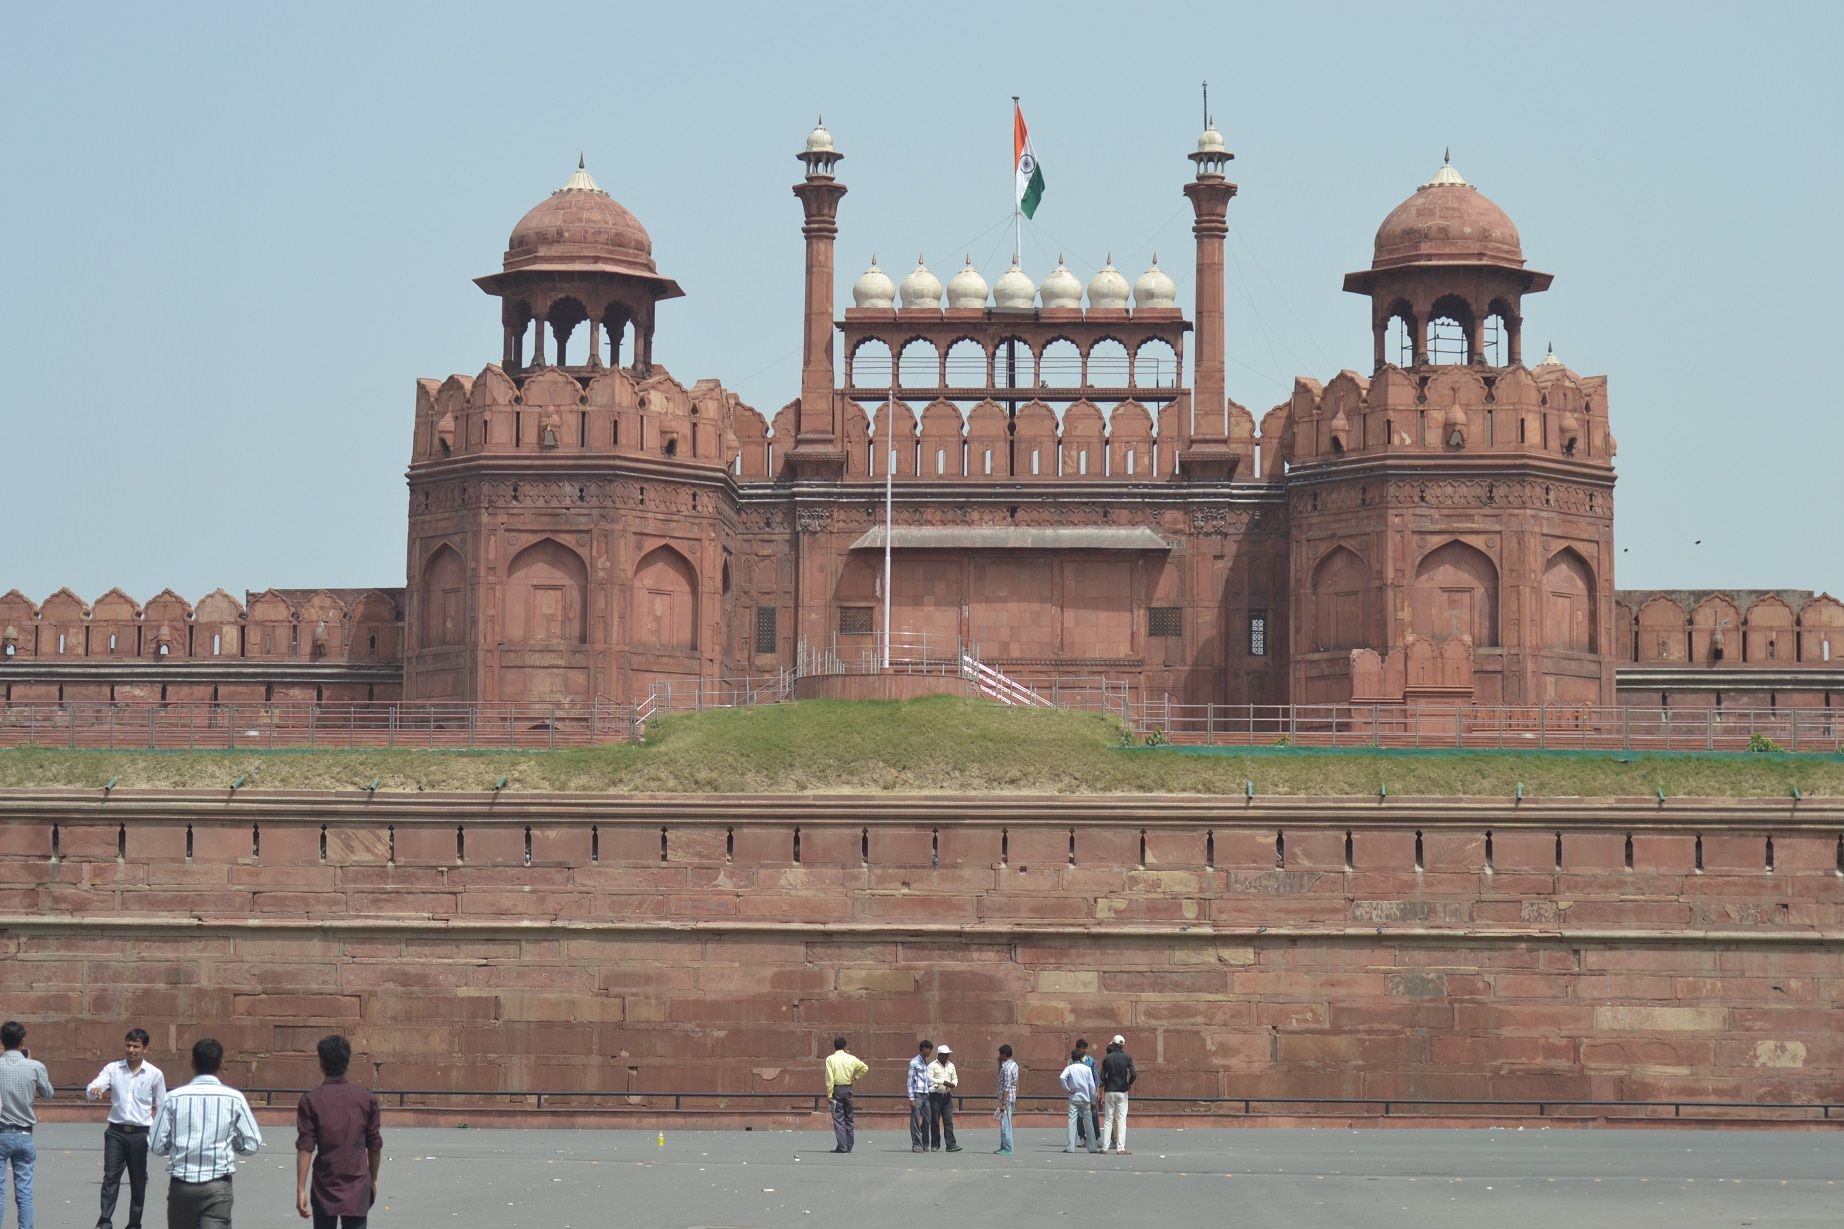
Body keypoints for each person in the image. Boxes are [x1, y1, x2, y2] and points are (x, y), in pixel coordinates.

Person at [151, 1038, 262, 1229]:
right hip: (217, 1187)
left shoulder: (173, 1098)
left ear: (193, 1063)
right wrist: (231, 1141)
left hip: (182, 1185)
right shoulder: (234, 1098)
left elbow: (156, 1145)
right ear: (221, 1064)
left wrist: (175, 1142)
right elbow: (252, 1143)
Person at [294, 1036, 382, 1228]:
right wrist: (373, 1179)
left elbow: (305, 1147)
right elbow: (374, 1144)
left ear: (321, 1062)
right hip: (357, 1182)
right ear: (347, 1061)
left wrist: (300, 1188)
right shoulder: (366, 1099)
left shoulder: (311, 1100)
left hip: (325, 1183)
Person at [86, 1027, 166, 1229]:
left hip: (140, 1134)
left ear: (145, 1049)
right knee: (110, 1177)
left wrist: (156, 1135)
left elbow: (162, 1105)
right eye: (128, 1045)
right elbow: (95, 1087)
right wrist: (95, 1091)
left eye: (136, 1046)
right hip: (116, 1132)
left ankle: (134, 1223)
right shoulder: (113, 1069)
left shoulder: (155, 1074)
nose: (131, 1050)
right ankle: (105, 1221)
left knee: (138, 1181)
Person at [0, 1022, 53, 1229]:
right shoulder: (35, 1067)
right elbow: (48, 1093)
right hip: (24, 1134)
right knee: (24, 1192)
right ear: (22, 1042)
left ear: (2, 1042)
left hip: (1, 1133)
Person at [822, 1036, 867, 1154]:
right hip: (848, 1089)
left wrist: (829, 1093)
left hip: (837, 1089)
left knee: (839, 1119)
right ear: (845, 1046)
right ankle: (849, 1145)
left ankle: (842, 1146)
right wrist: (855, 1077)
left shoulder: (830, 1059)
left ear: (834, 1046)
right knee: (849, 1118)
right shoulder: (851, 1058)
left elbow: (830, 1078)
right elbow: (865, 1068)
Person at [1099, 1034, 1137, 1155]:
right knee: (1121, 1120)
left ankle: (1105, 1147)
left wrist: (1106, 1083)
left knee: (1108, 1119)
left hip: (1109, 1090)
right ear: (1122, 1045)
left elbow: (1102, 1076)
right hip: (1122, 1090)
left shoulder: (1107, 1058)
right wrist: (1129, 1083)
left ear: (1113, 1044)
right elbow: (1134, 1074)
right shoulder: (1127, 1058)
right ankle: (1120, 1148)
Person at [1058, 1047, 1099, 1154]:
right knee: (1089, 1123)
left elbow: (1062, 1077)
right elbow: (1092, 1086)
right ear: (1081, 1057)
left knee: (1072, 1122)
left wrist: (1068, 1089)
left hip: (1074, 1098)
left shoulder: (1070, 1068)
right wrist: (1093, 1101)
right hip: (1085, 1099)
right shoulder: (1087, 1069)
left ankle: (1070, 1147)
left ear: (1072, 1057)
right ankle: (1093, 1147)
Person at [925, 1044, 960, 1152]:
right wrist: (942, 1082)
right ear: (939, 1055)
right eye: (944, 1055)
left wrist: (953, 1084)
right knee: (935, 1121)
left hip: (947, 1096)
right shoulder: (932, 1065)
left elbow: (955, 1078)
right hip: (935, 1095)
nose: (946, 1057)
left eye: (948, 1054)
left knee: (948, 1121)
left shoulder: (951, 1065)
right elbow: (929, 1078)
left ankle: (951, 1144)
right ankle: (935, 1144)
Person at [906, 1040, 935, 1153]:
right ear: (922, 1049)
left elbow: (927, 1079)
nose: (929, 1051)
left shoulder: (927, 1062)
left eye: (930, 1049)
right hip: (917, 1094)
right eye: (928, 1049)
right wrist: (911, 1098)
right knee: (915, 1120)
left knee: (927, 1119)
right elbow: (910, 1081)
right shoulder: (914, 1062)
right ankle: (916, 1144)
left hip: (926, 1094)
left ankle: (925, 1143)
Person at [992, 1045, 1018, 1156]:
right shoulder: (1013, 1065)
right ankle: (1004, 1146)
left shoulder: (1007, 1068)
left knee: (1005, 1123)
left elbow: (1007, 1086)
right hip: (1011, 1097)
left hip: (1006, 1098)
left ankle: (1007, 1147)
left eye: (1000, 1054)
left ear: (1003, 1054)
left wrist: (1003, 1102)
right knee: (1005, 1122)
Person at [1074, 1038, 1100, 1149]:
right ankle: (1082, 1137)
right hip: (1078, 1092)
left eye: (1085, 1048)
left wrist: (1097, 1091)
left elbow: (1095, 1076)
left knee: (1093, 1115)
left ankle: (1096, 1137)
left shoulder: (1090, 1060)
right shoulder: (1072, 1061)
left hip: (1090, 1091)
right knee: (1079, 1116)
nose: (1084, 1051)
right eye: (1082, 1049)